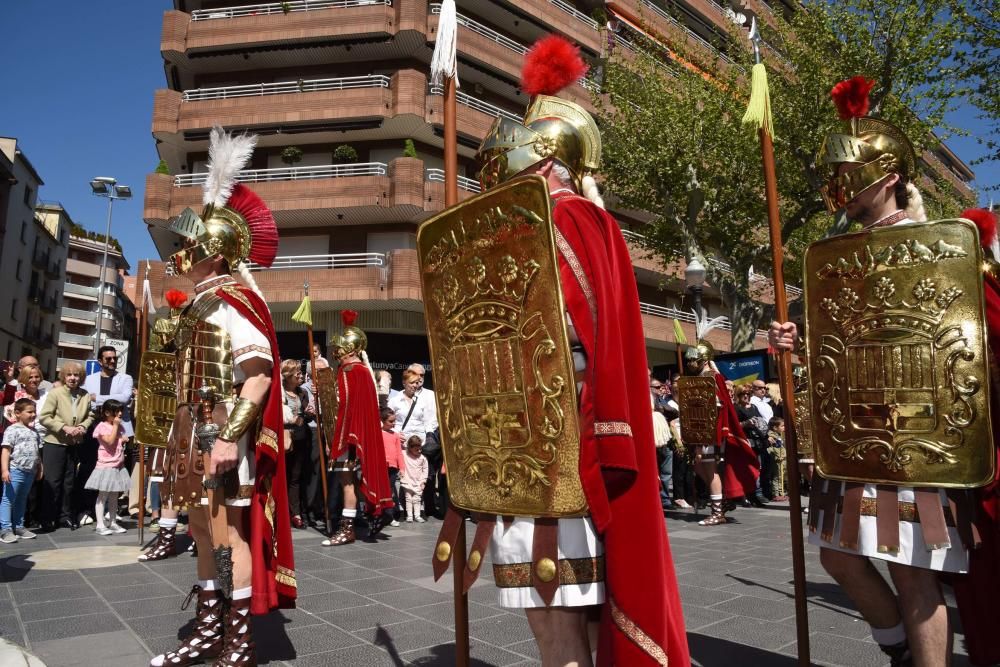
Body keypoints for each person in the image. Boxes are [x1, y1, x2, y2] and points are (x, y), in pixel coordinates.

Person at [431, 35, 689, 666]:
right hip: (521, 438)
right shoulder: (551, 226)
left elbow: (570, 334)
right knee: (565, 609)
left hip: (555, 441)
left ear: (543, 160)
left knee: (555, 613)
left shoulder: (570, 220)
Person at [767, 77, 979, 666]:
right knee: (838, 557)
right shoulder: (836, 255)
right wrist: (795, 341)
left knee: (914, 570)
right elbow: (839, 341)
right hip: (854, 431)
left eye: (849, 173)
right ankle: (899, 651)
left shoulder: (938, 246)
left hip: (918, 432)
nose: (838, 186)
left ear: (886, 177)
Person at [147, 126, 295, 667]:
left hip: (220, 433)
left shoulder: (233, 301)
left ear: (214, 251)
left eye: (190, 244)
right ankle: (210, 632)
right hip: (189, 432)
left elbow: (257, 375)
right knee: (199, 531)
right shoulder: (196, 306)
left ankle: (238, 640)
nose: (181, 251)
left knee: (226, 532)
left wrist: (229, 438)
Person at [321, 311, 394, 547]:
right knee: (350, 479)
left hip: (348, 435)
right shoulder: (362, 371)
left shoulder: (350, 370)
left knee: (346, 480)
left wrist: (325, 394)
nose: (336, 351)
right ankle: (374, 512)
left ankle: (347, 529)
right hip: (354, 434)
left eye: (339, 348)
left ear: (350, 349)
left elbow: (344, 404)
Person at [681, 340, 760, 526]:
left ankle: (718, 512)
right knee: (701, 467)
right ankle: (722, 499)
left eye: (695, 359)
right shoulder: (702, 376)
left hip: (710, 430)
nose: (691, 363)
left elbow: (713, 407)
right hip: (700, 429)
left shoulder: (712, 377)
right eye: (689, 360)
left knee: (709, 469)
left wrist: (702, 438)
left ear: (704, 359)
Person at [38, 363, 93, 531]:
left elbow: (90, 415)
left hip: (74, 443)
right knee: (53, 482)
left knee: (69, 483)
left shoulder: (85, 395)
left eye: (76, 375)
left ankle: (65, 517)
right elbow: (44, 417)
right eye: (69, 375)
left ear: (81, 378)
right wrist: (63, 427)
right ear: (63, 376)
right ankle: (48, 518)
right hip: (55, 443)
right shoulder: (55, 393)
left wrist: (83, 427)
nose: (72, 378)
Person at [387, 365, 441, 516]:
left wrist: (429, 436)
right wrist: (396, 434)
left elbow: (429, 420)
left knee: (418, 474)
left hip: (419, 443)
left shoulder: (422, 400)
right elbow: (389, 419)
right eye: (412, 383)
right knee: (403, 475)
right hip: (402, 442)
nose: (415, 386)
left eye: (417, 383)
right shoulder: (395, 400)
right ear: (404, 383)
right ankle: (403, 509)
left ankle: (418, 509)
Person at [85, 399, 131, 535]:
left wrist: (122, 438)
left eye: (121, 411)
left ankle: (113, 522)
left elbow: (120, 439)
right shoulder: (102, 426)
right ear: (107, 412)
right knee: (103, 494)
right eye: (116, 411)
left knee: (114, 495)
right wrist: (116, 427)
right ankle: (100, 524)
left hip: (118, 464)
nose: (120, 414)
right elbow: (110, 441)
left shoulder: (119, 427)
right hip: (106, 465)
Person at [1, 398, 42, 542]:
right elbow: (6, 450)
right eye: (29, 412)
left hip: (29, 471)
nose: (33, 414)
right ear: (17, 413)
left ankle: (18, 526)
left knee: (22, 498)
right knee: (8, 499)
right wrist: (5, 470)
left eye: (34, 412)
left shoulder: (34, 431)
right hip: (15, 469)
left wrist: (39, 467)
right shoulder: (11, 430)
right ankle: (5, 529)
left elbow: (37, 451)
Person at [280, 360, 315, 529]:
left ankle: (295, 513)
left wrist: (308, 414)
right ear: (287, 376)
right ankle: (280, 512)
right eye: (297, 373)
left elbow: (306, 417)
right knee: (281, 476)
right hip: (283, 439)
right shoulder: (278, 392)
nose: (301, 376)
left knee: (296, 477)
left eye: (301, 372)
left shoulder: (302, 393)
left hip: (301, 439)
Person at [734, 384, 771, 506]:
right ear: (738, 395)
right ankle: (747, 495)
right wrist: (746, 423)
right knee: (746, 469)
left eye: (748, 394)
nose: (746, 396)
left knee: (757, 468)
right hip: (744, 442)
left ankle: (756, 494)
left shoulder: (754, 407)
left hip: (757, 442)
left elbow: (760, 421)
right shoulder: (736, 408)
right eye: (742, 394)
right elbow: (733, 426)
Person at [380, 407, 404, 527]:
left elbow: (399, 452)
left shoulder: (395, 435)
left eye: (394, 421)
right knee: (381, 491)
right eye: (390, 421)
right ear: (383, 421)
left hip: (393, 468)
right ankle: (380, 515)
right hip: (381, 467)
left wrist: (402, 468)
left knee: (390, 492)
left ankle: (390, 516)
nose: (393, 423)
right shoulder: (378, 433)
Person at [399, 435, 428, 523]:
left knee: (417, 499)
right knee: (408, 498)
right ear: (410, 448)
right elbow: (398, 450)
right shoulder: (404, 454)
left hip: (418, 482)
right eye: (416, 449)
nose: (419, 451)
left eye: (420, 449)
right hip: (407, 481)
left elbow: (425, 470)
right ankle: (409, 516)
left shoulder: (423, 458)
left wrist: (423, 481)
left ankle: (417, 515)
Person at [766, 417, 788, 502]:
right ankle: (776, 494)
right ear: (775, 428)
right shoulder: (772, 436)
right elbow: (772, 448)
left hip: (782, 459)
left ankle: (781, 493)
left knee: (781, 476)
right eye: (782, 426)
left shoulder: (779, 435)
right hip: (777, 459)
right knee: (777, 477)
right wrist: (778, 456)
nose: (784, 427)